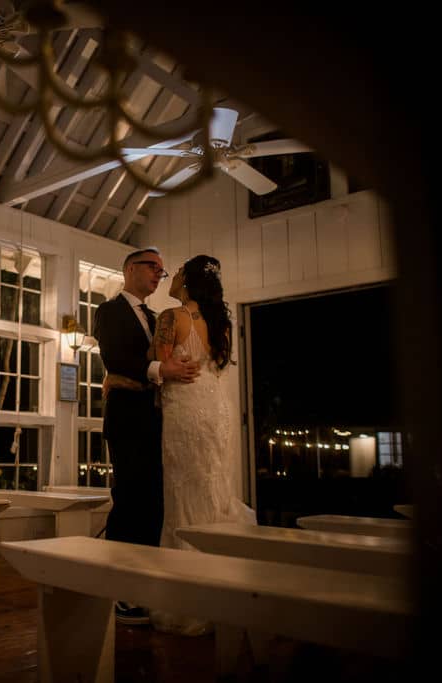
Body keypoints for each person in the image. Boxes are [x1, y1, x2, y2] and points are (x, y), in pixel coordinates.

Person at [150, 254, 258, 636]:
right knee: (213, 491)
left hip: (187, 412)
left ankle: (188, 601)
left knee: (183, 496)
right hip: (218, 412)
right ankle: (222, 589)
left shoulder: (171, 317)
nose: (172, 276)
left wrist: (161, 369)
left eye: (177, 272)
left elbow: (157, 364)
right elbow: (216, 367)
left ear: (188, 281)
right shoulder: (221, 323)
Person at [93, 247, 200, 625]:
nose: (158, 274)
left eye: (161, 269)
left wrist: (170, 370)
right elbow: (117, 358)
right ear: (129, 269)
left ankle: (146, 582)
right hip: (127, 421)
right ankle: (121, 591)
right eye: (152, 267)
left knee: (155, 504)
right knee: (129, 501)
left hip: (158, 421)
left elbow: (155, 362)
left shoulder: (157, 318)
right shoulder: (108, 311)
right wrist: (159, 370)